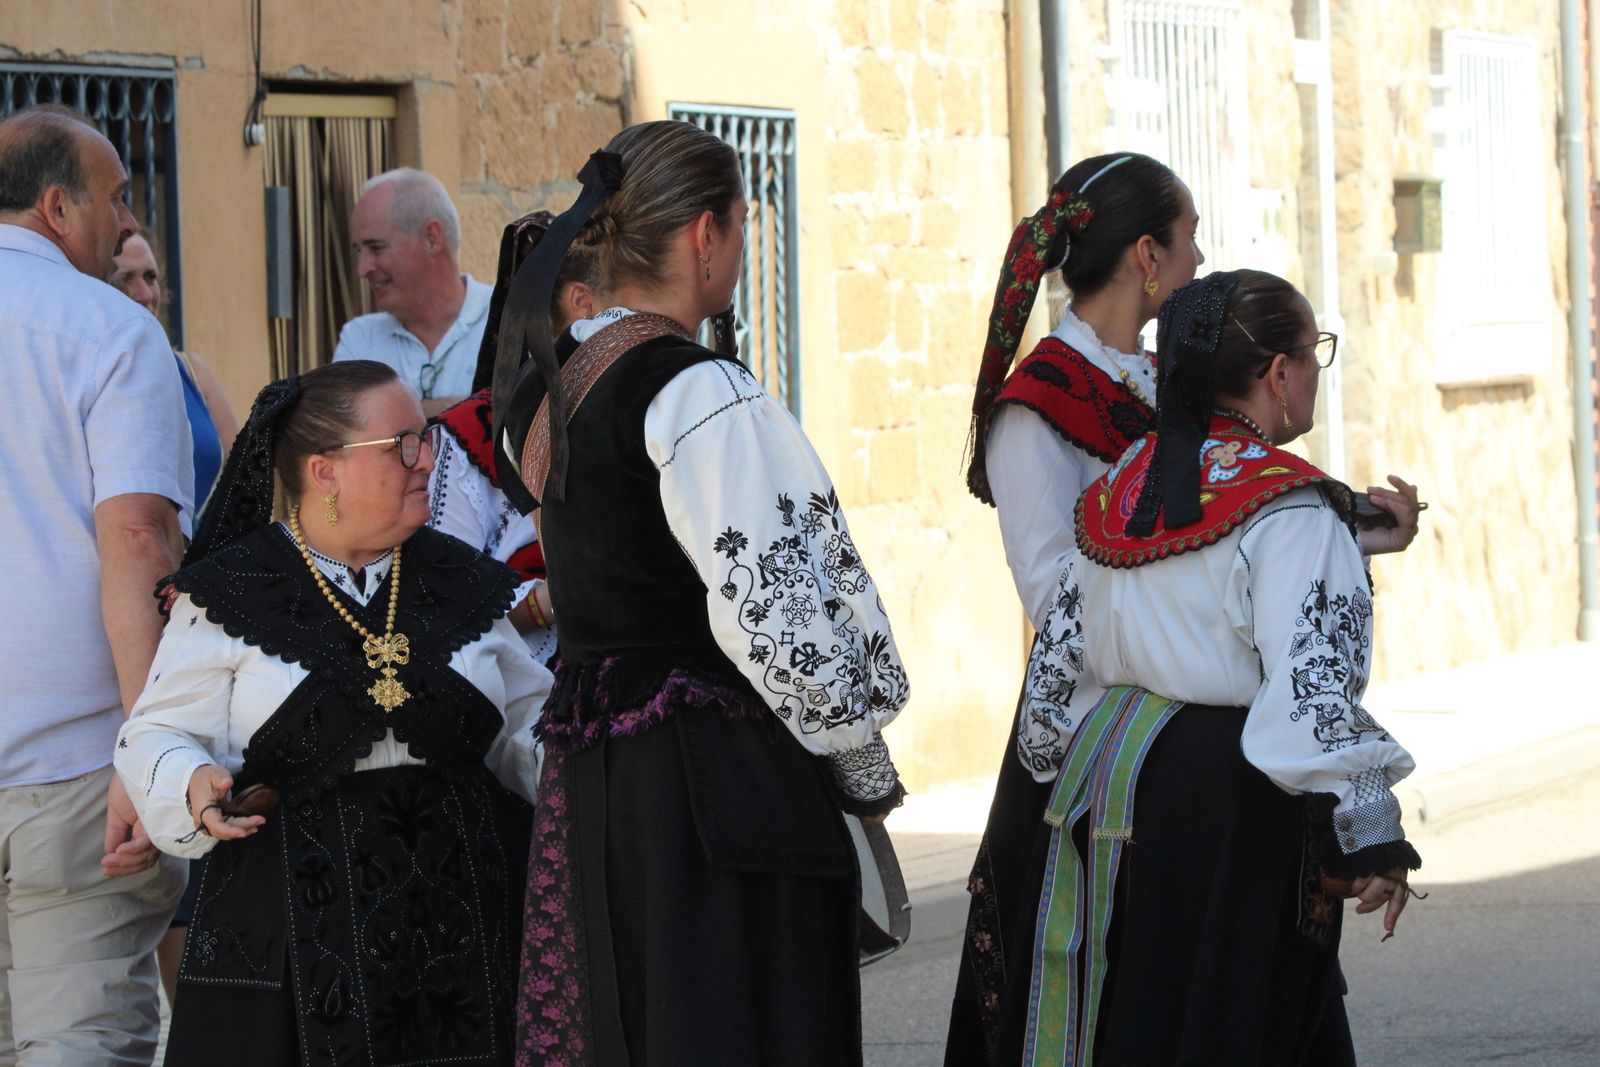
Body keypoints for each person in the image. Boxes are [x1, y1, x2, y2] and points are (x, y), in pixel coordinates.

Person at [946, 154, 1422, 1064]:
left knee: (1190, 999)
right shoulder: (1040, 403)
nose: (1202, 257)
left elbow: (1212, 529)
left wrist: (1346, 528)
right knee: (1118, 984)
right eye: (1191, 236)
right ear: (1146, 255)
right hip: (1103, 711)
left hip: (1181, 721)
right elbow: (1066, 593)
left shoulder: (1173, 376)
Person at [493, 121, 910, 1065]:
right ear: (704, 236)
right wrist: (858, 757)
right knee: (727, 1018)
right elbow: (779, 607)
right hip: (710, 777)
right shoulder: (699, 392)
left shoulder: (555, 390)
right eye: (739, 227)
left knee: (635, 1013)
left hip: (603, 769)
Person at [114, 360, 552, 1063]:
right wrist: (192, 781)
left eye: (428, 439)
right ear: (325, 472)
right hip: (292, 947)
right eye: (403, 444)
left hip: (460, 945)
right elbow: (154, 734)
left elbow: (529, 729)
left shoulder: (463, 583)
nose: (427, 461)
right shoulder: (232, 592)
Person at [0, 103, 191, 1064]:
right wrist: (149, 748)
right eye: (116, 199)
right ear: (56, 205)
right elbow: (138, 538)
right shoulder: (110, 331)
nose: (127, 224)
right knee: (80, 1041)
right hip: (76, 777)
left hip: (62, 776)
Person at [430, 210, 599, 665]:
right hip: (515, 686)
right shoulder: (472, 435)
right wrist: (552, 601)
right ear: (583, 305)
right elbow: (445, 599)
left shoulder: (656, 414)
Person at [111, 230, 238, 544]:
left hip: (207, 571)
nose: (143, 294)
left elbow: (247, 474)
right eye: (125, 279)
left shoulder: (192, 370)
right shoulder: (94, 375)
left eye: (150, 277)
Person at [335, 167, 489, 416]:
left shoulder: (508, 322)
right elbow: (347, 431)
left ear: (432, 238)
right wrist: (473, 408)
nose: (362, 269)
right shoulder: (360, 339)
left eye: (376, 248)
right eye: (358, 251)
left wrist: (389, 417)